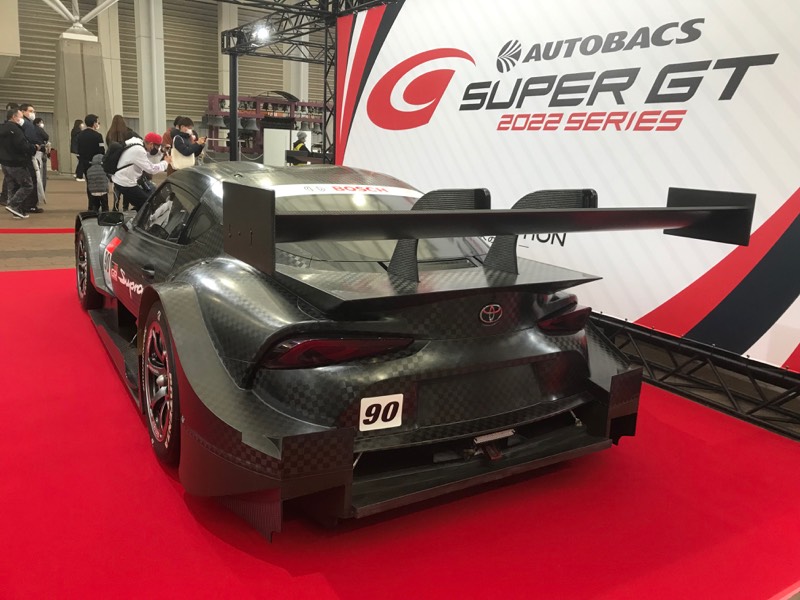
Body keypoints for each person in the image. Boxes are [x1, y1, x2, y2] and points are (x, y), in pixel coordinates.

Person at [111, 133, 171, 211]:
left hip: (124, 180)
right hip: (125, 182)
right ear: (151, 144)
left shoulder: (137, 145)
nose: (157, 149)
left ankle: (139, 215)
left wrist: (161, 151)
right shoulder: (138, 150)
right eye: (157, 147)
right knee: (146, 204)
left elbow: (146, 155)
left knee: (143, 203)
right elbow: (151, 169)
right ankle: (141, 217)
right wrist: (166, 162)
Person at [0, 107, 36, 219]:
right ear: (14, 117)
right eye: (21, 117)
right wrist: (34, 148)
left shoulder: (2, 128)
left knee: (12, 186)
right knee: (27, 185)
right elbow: (22, 145)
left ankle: (15, 210)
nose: (22, 119)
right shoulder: (16, 130)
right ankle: (13, 204)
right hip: (16, 162)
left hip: (4, 162)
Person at [18, 103, 45, 212]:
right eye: (30, 111)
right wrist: (36, 146)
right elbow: (31, 139)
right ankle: (30, 205)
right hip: (27, 156)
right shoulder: (26, 124)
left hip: (20, 157)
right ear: (22, 112)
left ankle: (20, 204)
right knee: (31, 180)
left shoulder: (23, 124)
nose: (33, 113)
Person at [76, 114, 104, 185]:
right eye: (97, 122)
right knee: (97, 183)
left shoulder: (80, 135)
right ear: (94, 123)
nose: (98, 124)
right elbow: (101, 150)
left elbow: (79, 149)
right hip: (95, 162)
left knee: (88, 182)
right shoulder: (98, 136)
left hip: (85, 162)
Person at [33, 117, 50, 191]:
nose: (42, 124)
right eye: (41, 122)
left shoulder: (30, 128)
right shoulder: (39, 129)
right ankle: (40, 188)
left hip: (33, 150)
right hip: (39, 150)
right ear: (37, 123)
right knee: (40, 169)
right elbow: (46, 137)